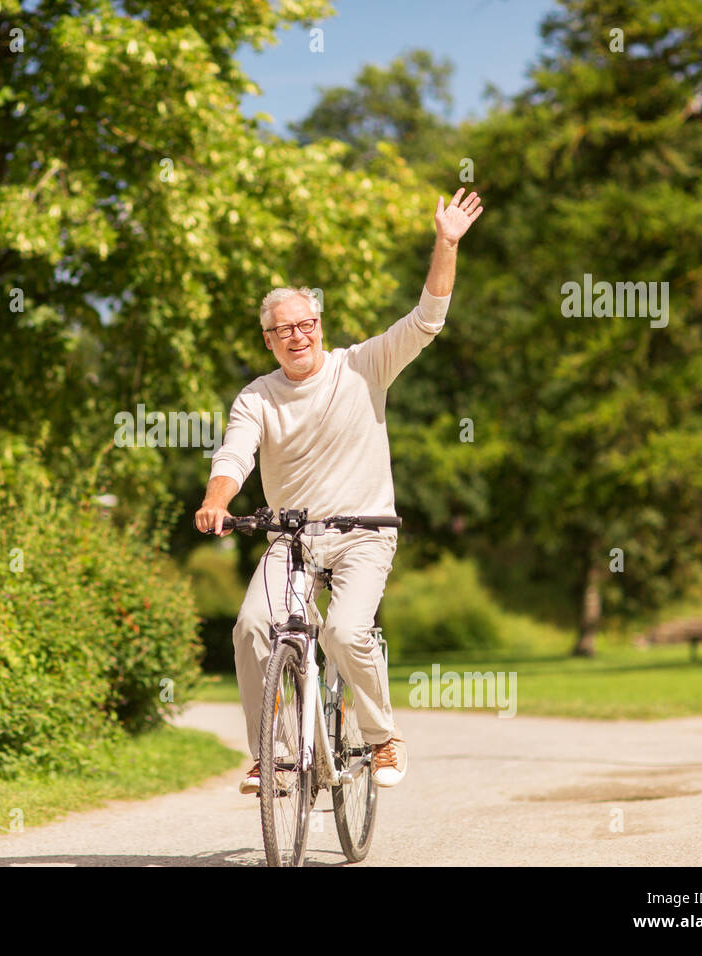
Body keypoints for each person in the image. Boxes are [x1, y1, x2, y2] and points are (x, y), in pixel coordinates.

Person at [194, 189, 484, 794]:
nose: (297, 336)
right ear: (267, 341)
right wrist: (217, 499)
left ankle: (382, 738)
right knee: (249, 626)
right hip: (291, 539)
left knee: (345, 631)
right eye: (283, 330)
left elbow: (428, 318)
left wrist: (446, 242)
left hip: (364, 534)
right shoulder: (257, 396)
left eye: (306, 324)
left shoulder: (363, 366)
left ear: (319, 327)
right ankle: (269, 756)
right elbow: (235, 453)